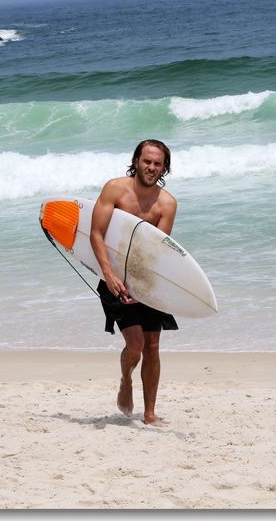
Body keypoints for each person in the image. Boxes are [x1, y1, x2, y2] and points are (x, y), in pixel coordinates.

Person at [90, 139, 178, 427]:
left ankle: (150, 413)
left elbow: (155, 251)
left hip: (147, 278)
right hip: (113, 277)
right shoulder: (115, 189)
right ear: (136, 161)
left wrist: (140, 288)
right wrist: (109, 275)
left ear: (165, 167)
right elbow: (96, 234)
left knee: (152, 345)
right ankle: (126, 379)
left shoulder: (167, 204)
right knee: (137, 343)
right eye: (147, 161)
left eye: (158, 163)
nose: (152, 168)